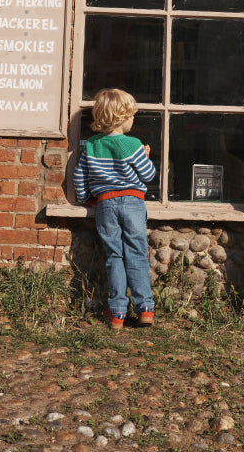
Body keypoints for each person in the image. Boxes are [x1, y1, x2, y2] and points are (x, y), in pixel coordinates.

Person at [74, 87, 156, 330]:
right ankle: (145, 310)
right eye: (131, 115)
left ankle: (117, 313)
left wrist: (87, 199)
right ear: (121, 117)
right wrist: (145, 155)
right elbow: (148, 174)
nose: (133, 120)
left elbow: (80, 178)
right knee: (137, 254)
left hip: (105, 205)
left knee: (114, 257)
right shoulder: (131, 144)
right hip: (132, 203)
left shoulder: (91, 145)